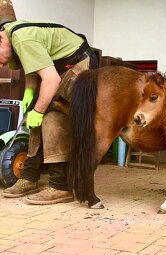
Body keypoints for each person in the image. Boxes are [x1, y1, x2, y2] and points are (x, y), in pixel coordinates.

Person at [0, 18, 98, 204]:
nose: (1, 66)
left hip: (79, 62)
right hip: (58, 68)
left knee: (53, 115)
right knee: (34, 115)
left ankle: (61, 186)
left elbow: (51, 80)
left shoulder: (21, 39)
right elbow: (32, 69)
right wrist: (30, 93)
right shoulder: (10, 40)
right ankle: (29, 176)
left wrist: (40, 110)